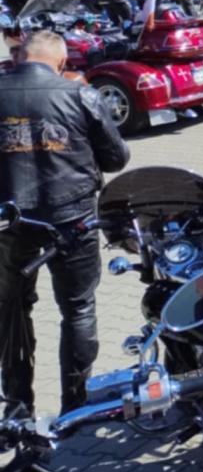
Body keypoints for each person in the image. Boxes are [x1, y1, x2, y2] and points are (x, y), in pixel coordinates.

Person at [0, 32, 129, 417]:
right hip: (72, 219)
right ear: (60, 62)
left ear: (19, 57)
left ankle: (18, 408)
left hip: (9, 221)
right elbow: (116, 158)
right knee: (78, 309)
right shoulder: (80, 94)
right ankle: (74, 407)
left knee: (10, 309)